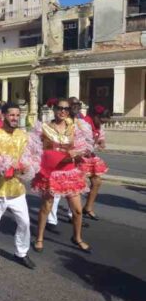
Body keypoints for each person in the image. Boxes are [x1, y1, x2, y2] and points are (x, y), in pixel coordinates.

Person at [0, 102, 41, 273]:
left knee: (25, 222)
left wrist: (26, 166)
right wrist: (2, 166)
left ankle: (21, 252)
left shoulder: (24, 136)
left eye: (17, 115)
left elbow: (31, 157)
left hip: (17, 190)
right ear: (3, 115)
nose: (15, 118)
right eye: (11, 115)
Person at [32, 98, 93, 254]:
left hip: (69, 173)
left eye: (66, 109)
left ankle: (77, 238)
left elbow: (82, 149)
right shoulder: (43, 128)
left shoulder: (75, 128)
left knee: (78, 210)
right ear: (54, 109)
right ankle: (39, 237)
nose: (63, 111)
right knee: (46, 208)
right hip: (51, 173)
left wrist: (79, 154)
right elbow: (39, 151)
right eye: (60, 108)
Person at [79, 105, 109, 220]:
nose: (102, 123)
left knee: (97, 182)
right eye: (101, 120)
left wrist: (101, 142)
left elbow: (100, 138)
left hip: (90, 156)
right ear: (96, 116)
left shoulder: (98, 126)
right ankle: (74, 212)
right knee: (78, 186)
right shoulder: (84, 124)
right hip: (80, 157)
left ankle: (88, 208)